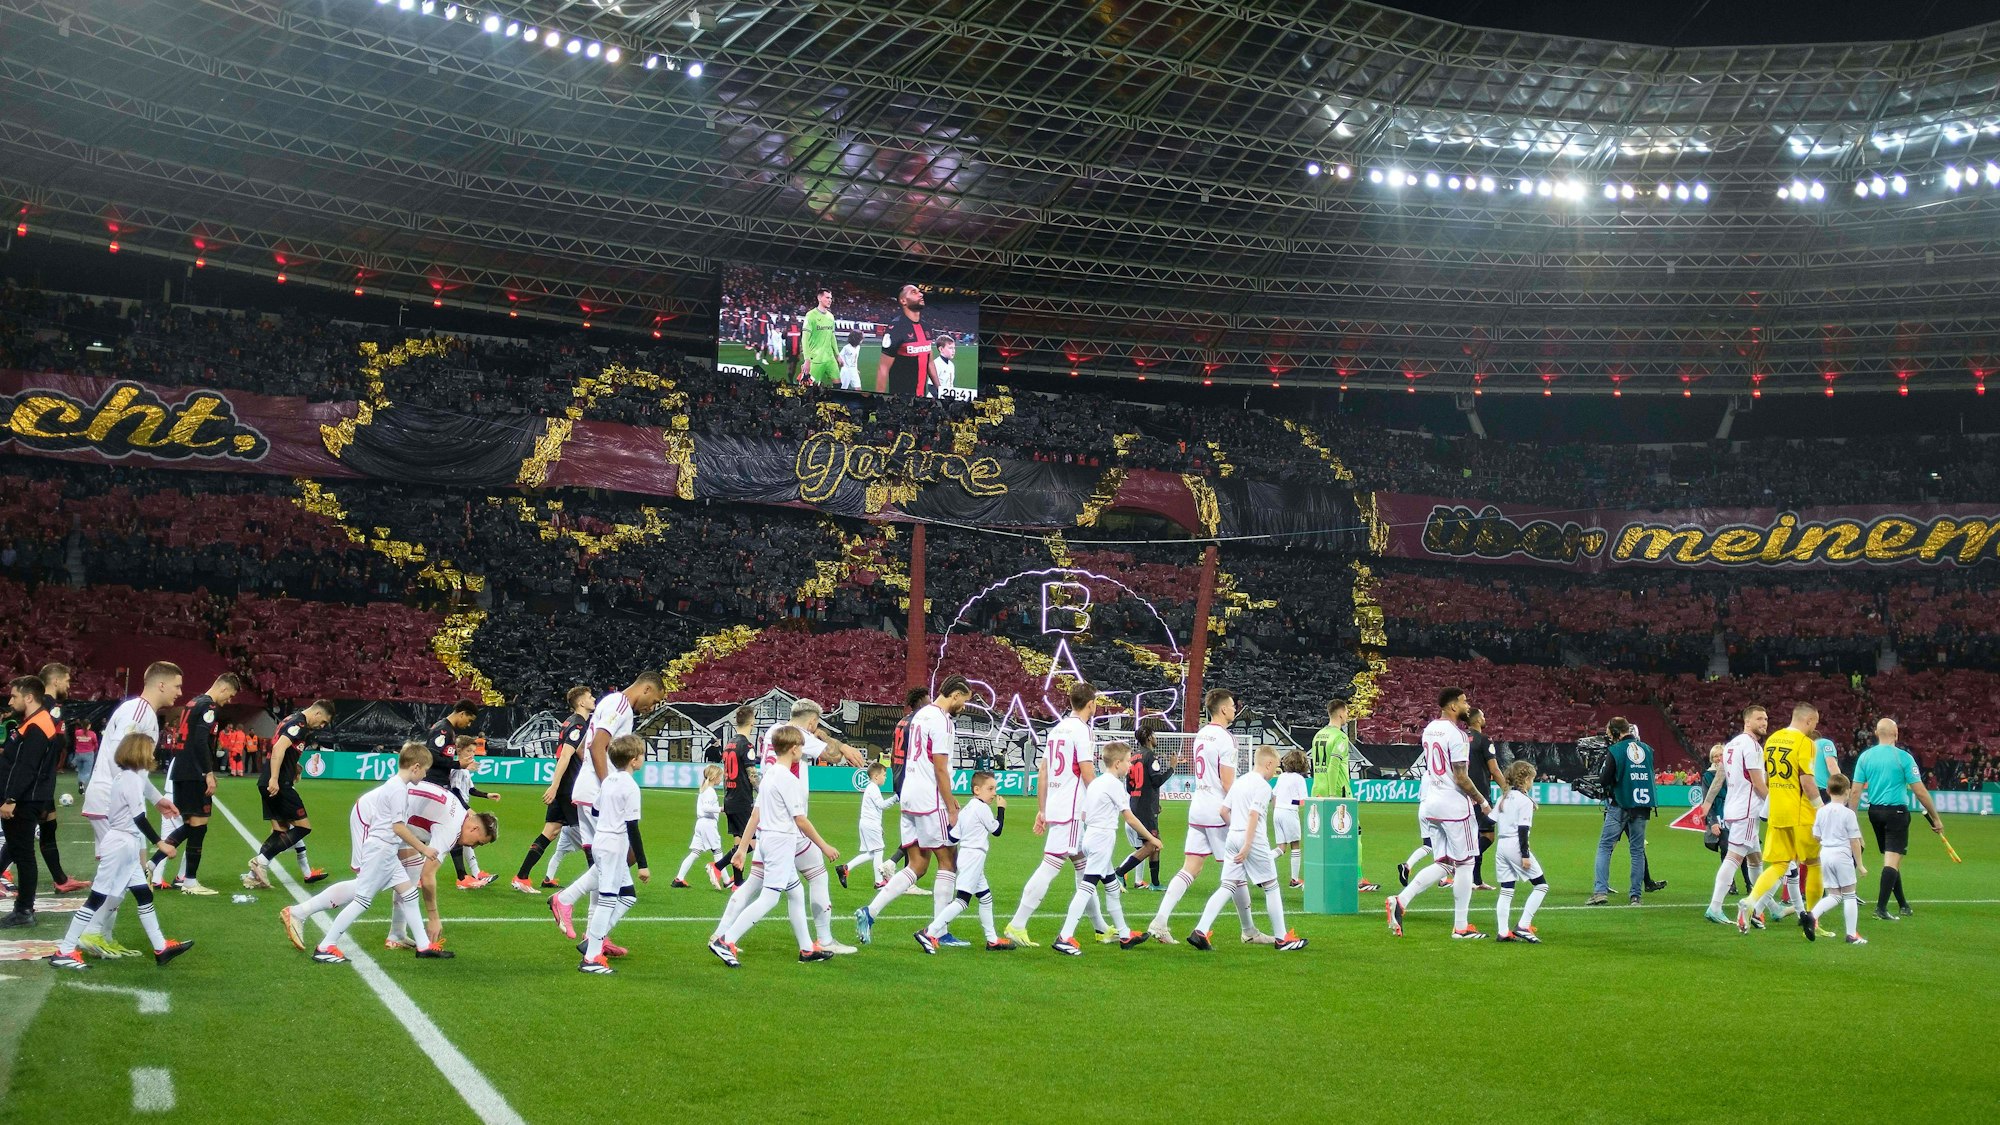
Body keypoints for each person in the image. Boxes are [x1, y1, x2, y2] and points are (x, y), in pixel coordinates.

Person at [48, 733, 195, 971]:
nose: (153, 754)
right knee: (97, 898)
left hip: (125, 843)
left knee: (143, 895)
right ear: (140, 752)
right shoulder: (131, 780)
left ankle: (161, 947)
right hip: (121, 845)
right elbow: (139, 817)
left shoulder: (128, 777)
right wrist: (161, 843)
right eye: (149, 749)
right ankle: (64, 950)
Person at [283, 743, 437, 965]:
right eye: (425, 770)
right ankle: (325, 946)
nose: (425, 774)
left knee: (409, 894)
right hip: (381, 848)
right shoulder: (397, 789)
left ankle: (423, 946)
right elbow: (398, 827)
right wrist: (424, 848)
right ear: (415, 767)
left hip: (386, 847)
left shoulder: (397, 786)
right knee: (363, 898)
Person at [708, 725, 836, 968]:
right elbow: (800, 820)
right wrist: (824, 845)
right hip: (780, 843)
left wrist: (743, 848)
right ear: (795, 749)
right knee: (769, 898)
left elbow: (756, 814)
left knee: (796, 893)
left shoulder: (770, 775)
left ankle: (807, 949)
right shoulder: (788, 779)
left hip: (766, 840)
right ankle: (727, 940)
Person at [79, 663, 182, 958]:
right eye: (176, 685)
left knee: (127, 872)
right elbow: (120, 760)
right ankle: (93, 931)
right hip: (115, 806)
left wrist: (156, 797)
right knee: (127, 871)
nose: (179, 692)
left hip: (114, 802)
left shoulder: (141, 712)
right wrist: (132, 798)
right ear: (160, 684)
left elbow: (133, 768)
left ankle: (101, 934)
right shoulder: (138, 712)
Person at [550, 672, 664, 938]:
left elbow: (588, 746)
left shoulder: (610, 703)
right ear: (646, 689)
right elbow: (597, 746)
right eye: (654, 700)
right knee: (620, 858)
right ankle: (566, 900)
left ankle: (594, 935)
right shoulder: (619, 704)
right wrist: (608, 785)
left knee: (603, 863)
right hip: (596, 792)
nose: (652, 707)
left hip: (590, 791)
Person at [859, 678, 970, 946]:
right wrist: (951, 805)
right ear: (954, 695)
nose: (964, 706)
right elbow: (940, 768)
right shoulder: (942, 720)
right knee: (948, 861)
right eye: (964, 700)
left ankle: (869, 912)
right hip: (930, 799)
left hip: (908, 795)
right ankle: (938, 932)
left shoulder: (920, 716)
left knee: (918, 864)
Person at [1149, 690, 1263, 946]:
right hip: (1218, 811)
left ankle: (1160, 921)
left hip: (1198, 806)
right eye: (1232, 705)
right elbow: (1227, 781)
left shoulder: (1202, 734)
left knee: (1191, 867)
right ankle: (1249, 931)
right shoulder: (1226, 738)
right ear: (1223, 709)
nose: (1235, 709)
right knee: (1236, 869)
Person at [1001, 682, 1100, 950]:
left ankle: (1102, 928)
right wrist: (1105, 798)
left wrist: (1042, 809)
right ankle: (1018, 923)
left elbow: (1043, 771)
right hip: (1071, 808)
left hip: (1058, 804)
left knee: (1085, 866)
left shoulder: (1057, 730)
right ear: (1091, 704)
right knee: (1050, 866)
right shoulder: (1082, 730)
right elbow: (1087, 771)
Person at [1386, 687, 1489, 940]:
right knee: (1466, 864)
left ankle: (1401, 900)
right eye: (1465, 702)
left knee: (1444, 863)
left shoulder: (1430, 728)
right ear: (1453, 706)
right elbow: (1462, 777)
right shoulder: (1458, 735)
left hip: (1431, 804)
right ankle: (1461, 927)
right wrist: (1482, 801)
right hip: (1454, 807)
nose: (1468, 706)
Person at [1188, 746, 1306, 952]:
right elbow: (1253, 815)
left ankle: (1200, 930)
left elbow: (1224, 811)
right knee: (1271, 885)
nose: (1275, 772)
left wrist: (1237, 829)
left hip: (1233, 835)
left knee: (1227, 885)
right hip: (1251, 838)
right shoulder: (1262, 787)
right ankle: (1282, 938)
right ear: (1268, 764)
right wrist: (1248, 843)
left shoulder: (1240, 782)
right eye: (1275, 767)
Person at [1045, 741, 1159, 955]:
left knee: (1112, 887)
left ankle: (1124, 934)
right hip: (1101, 839)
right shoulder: (1114, 785)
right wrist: (1151, 839)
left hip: (1091, 836)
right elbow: (1130, 817)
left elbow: (1085, 814)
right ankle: (1064, 936)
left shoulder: (1096, 782)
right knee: (1087, 887)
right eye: (1127, 761)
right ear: (1117, 763)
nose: (1130, 766)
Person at [384, 768, 498, 956]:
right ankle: (326, 938)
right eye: (478, 842)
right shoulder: (451, 830)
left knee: (407, 879)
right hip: (381, 820)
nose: (475, 846)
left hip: (392, 819)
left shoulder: (459, 812)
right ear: (475, 828)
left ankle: (396, 934)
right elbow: (427, 875)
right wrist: (433, 916)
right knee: (370, 883)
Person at [148, 672, 242, 897]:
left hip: (181, 769)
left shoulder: (193, 702)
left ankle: (151, 866)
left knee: (193, 824)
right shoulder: (208, 706)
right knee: (198, 824)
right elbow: (200, 740)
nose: (229, 700)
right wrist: (208, 772)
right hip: (193, 771)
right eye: (230, 695)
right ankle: (189, 881)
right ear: (222, 688)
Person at [1738, 703, 1826, 938]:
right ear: (1808, 721)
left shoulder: (1773, 739)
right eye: (1814, 724)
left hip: (1777, 810)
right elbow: (1807, 783)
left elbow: (1767, 778)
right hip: (1801, 813)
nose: (1813, 728)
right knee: (1815, 862)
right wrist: (1822, 810)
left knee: (1778, 865)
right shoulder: (1805, 743)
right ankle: (1812, 917)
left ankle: (1750, 902)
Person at [1849, 718, 1943, 921]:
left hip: (1874, 812)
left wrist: (1850, 817)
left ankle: (1903, 904)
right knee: (1892, 860)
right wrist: (1935, 817)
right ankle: (1881, 909)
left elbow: (1855, 791)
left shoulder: (1865, 757)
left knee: (1892, 858)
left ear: (1876, 733)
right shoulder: (1904, 758)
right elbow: (1920, 791)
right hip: (1896, 813)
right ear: (1896, 733)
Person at [513, 685, 595, 894]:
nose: (593, 699)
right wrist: (555, 785)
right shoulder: (577, 725)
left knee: (550, 831)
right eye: (590, 697)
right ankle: (600, 882)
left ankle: (521, 877)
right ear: (581, 702)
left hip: (565, 787)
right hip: (570, 787)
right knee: (588, 834)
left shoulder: (569, 721)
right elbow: (566, 755)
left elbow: (576, 752)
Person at [246, 700, 335, 889]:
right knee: (303, 827)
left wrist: (293, 766)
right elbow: (278, 748)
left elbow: (284, 750)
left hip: (267, 780)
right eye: (324, 722)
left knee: (280, 831)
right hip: (279, 784)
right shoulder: (299, 724)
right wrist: (275, 779)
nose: (322, 726)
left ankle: (253, 875)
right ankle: (260, 862)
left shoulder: (290, 719)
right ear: (318, 713)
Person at [580, 734, 650, 974]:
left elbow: (597, 810)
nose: (643, 758)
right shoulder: (630, 786)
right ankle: (591, 958)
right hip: (613, 846)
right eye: (641, 754)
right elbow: (633, 827)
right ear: (633, 760)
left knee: (628, 896)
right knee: (608, 900)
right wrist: (642, 864)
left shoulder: (609, 780)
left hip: (602, 840)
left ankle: (593, 941)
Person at [920, 771, 1010, 950]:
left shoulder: (967, 808)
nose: (994, 793)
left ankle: (992, 940)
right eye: (990, 789)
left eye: (995, 789)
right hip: (973, 857)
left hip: (968, 856)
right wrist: (1001, 809)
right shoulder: (981, 808)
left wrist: (949, 822)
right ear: (977, 789)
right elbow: (997, 830)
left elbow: (952, 839)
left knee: (985, 898)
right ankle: (929, 933)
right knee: (963, 900)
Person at [1, 676, 59, 927]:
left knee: (23, 854)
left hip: (24, 800)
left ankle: (24, 910)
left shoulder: (37, 725)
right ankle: (23, 908)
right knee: (15, 849)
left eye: (14, 696)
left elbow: (27, 767)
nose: (10, 700)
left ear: (29, 697)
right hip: (27, 798)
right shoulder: (35, 722)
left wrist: (11, 798)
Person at [1704, 707, 1770, 926]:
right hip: (1748, 810)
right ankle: (1715, 907)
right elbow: (1758, 783)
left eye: (1766, 718)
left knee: (1755, 858)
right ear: (1747, 721)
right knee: (1733, 858)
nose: (1764, 722)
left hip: (1734, 808)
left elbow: (1721, 775)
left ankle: (1762, 905)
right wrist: (1774, 804)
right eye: (1759, 718)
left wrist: (1707, 802)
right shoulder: (1752, 747)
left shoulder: (1731, 745)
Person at [1310, 697, 1378, 892]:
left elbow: (1317, 766)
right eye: (1347, 712)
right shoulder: (1339, 737)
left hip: (1317, 790)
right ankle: (1357, 880)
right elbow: (1333, 766)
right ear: (1340, 713)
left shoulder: (1319, 735)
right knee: (1353, 835)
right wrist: (1333, 794)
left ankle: (1321, 877)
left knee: (1322, 836)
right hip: (1338, 793)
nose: (1347, 716)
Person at [1589, 717, 1656, 906]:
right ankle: (1636, 896)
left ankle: (1600, 891)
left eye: (1610, 732)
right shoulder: (1647, 749)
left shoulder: (1615, 750)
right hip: (1642, 806)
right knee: (1637, 851)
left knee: (1605, 847)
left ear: (1616, 732)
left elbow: (1604, 779)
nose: (1609, 736)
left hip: (1620, 805)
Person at [1806, 776, 1866, 945]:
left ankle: (1811, 915)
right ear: (1847, 791)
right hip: (1841, 854)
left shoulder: (1821, 811)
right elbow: (1854, 841)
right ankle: (1851, 934)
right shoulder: (1848, 814)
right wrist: (1860, 864)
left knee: (1834, 895)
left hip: (1825, 854)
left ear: (1828, 791)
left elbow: (1816, 836)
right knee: (1849, 894)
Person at [1492, 761, 1547, 943]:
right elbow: (1523, 829)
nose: (1532, 783)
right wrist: (1525, 855)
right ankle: (1524, 925)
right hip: (1516, 845)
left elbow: (1488, 821)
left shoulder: (1504, 797)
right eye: (1532, 779)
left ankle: (1503, 931)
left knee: (1507, 889)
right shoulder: (1524, 801)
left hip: (1501, 845)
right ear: (1525, 779)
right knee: (1541, 885)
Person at [449, 735, 500, 888]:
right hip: (457, 808)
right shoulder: (458, 769)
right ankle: (466, 876)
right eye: (468, 751)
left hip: (461, 807)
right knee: (458, 840)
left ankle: (474, 873)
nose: (472, 754)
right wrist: (466, 808)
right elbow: (455, 791)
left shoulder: (464, 769)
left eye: (473, 751)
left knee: (465, 840)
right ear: (459, 750)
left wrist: (486, 795)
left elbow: (470, 789)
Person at [836, 762, 892, 890]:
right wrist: (896, 798)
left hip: (868, 823)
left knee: (872, 853)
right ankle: (879, 882)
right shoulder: (873, 788)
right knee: (879, 852)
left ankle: (845, 868)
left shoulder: (871, 788)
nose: (885, 777)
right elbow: (881, 805)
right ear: (876, 776)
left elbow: (872, 809)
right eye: (884, 775)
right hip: (870, 824)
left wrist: (879, 826)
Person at [718, 705, 756, 887]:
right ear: (752, 722)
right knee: (754, 842)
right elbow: (752, 775)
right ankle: (717, 866)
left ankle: (738, 882)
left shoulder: (729, 744)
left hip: (730, 797)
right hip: (742, 799)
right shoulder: (746, 745)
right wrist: (764, 791)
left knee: (739, 839)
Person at [1466, 708, 1504, 891]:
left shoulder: (1459, 737)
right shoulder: (1484, 740)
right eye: (1483, 715)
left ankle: (1476, 880)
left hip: (1461, 793)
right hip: (1480, 794)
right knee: (1487, 836)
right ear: (1477, 720)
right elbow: (1494, 770)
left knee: (1473, 836)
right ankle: (1466, 865)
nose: (1485, 718)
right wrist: (1508, 790)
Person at [672, 764, 727, 888]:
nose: (721, 779)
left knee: (695, 852)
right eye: (720, 776)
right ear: (714, 777)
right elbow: (706, 808)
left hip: (700, 823)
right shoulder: (710, 791)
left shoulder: (704, 789)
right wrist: (722, 809)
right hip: (708, 823)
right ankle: (727, 880)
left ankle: (679, 878)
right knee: (717, 851)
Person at [875, 284, 933, 396]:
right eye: (914, 292)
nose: (921, 294)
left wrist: (939, 388)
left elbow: (929, 361)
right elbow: (883, 368)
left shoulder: (927, 327)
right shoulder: (896, 327)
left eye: (919, 292)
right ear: (903, 301)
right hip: (900, 400)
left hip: (921, 399)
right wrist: (879, 399)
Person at [1273, 749, 1309, 889]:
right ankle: (1294, 879)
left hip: (1277, 813)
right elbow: (1303, 801)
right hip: (1289, 813)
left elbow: (1274, 794)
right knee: (1295, 845)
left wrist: (1278, 808)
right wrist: (1293, 802)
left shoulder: (1282, 777)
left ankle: (1261, 861)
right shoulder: (1299, 779)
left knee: (1281, 848)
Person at [800, 289, 839, 386]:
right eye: (827, 297)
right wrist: (807, 359)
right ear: (819, 298)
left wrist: (837, 355)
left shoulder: (831, 317)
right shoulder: (810, 315)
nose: (830, 300)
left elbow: (832, 336)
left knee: (838, 385)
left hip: (830, 358)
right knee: (811, 389)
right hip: (816, 359)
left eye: (831, 298)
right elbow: (804, 339)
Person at [1814, 737, 1845, 804]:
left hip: (1809, 790)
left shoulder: (1805, 747)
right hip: (1826, 790)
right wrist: (1842, 785)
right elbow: (1831, 765)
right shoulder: (1824, 743)